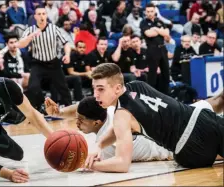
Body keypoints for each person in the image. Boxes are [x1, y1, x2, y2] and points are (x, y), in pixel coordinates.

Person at [85, 63, 223, 172]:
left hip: (189, 149)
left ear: (117, 88)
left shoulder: (121, 115)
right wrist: (99, 144)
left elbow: (122, 164)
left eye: (101, 89)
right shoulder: (137, 85)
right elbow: (120, 127)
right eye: (94, 88)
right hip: (199, 122)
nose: (95, 95)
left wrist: (90, 165)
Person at [45, 88, 223, 164]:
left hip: (174, 143)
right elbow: (83, 106)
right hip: (176, 119)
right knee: (217, 101)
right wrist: (59, 113)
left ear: (96, 122)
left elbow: (122, 164)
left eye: (81, 120)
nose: (76, 123)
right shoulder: (109, 109)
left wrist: (77, 162)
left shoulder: (108, 140)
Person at [17, 5, 72, 112]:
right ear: (35, 17)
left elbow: (66, 43)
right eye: (39, 14)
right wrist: (31, 36)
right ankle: (38, 109)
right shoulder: (30, 30)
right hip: (38, 63)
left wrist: (67, 54)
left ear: (46, 15)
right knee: (33, 87)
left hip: (53, 63)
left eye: (43, 13)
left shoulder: (54, 28)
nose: (42, 16)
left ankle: (70, 108)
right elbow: (20, 44)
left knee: (63, 87)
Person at [140, 3, 170, 95]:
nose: (149, 13)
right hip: (152, 50)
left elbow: (167, 34)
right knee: (152, 75)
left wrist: (156, 29)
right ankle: (151, 96)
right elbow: (149, 34)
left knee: (166, 74)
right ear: (145, 12)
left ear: (155, 11)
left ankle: (167, 96)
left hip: (163, 49)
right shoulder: (144, 22)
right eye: (148, 11)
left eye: (151, 11)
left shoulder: (159, 21)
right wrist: (161, 31)